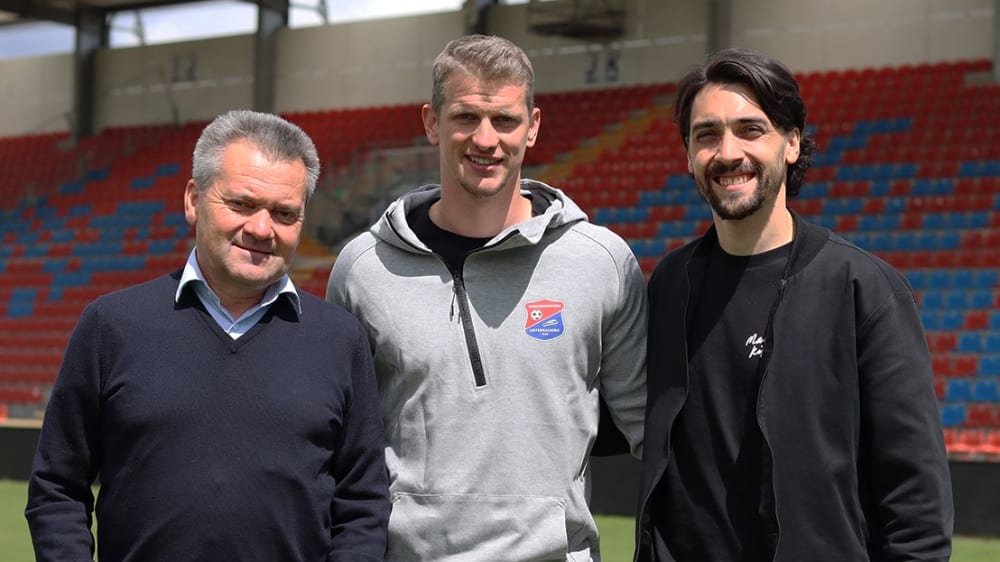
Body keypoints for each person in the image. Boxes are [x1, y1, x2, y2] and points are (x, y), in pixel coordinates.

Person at [326, 34, 647, 561]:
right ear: (431, 122)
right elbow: (343, 446)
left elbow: (653, 434)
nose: (485, 139)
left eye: (504, 120)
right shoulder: (363, 269)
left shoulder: (602, 262)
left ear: (534, 126)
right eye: (465, 117)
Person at [25, 110, 390, 561]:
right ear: (194, 200)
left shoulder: (340, 340)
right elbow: (57, 487)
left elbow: (362, 505)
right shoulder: (111, 326)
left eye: (284, 213)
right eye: (241, 204)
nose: (261, 228)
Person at [635, 48, 954, 561]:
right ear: (688, 154)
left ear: (791, 144)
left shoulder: (862, 288)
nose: (728, 152)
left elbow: (914, 495)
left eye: (750, 130)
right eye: (707, 134)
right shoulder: (672, 281)